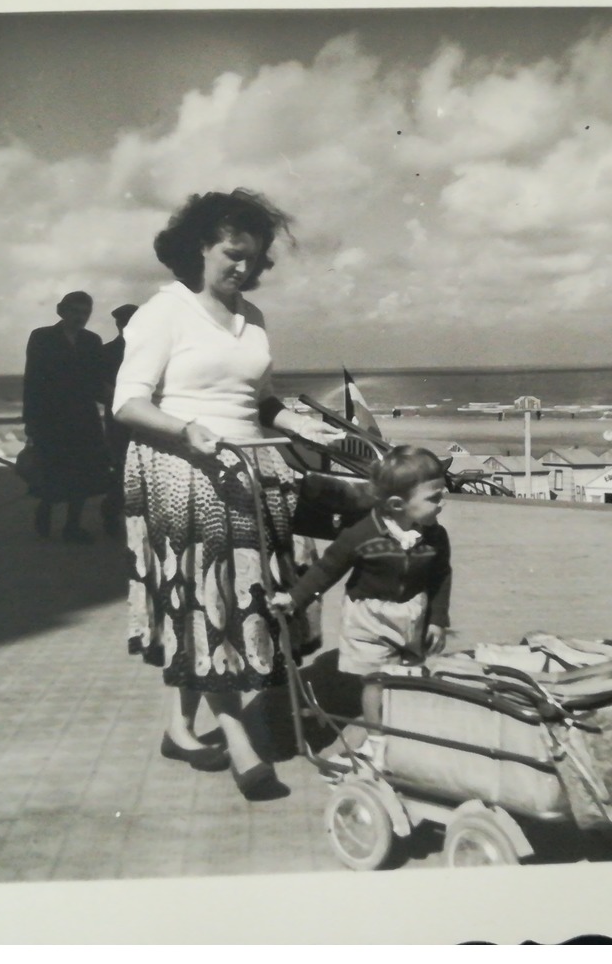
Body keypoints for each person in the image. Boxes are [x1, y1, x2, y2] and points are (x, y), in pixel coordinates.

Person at [112, 189, 344, 801]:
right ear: (199, 250)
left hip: (249, 469)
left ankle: (179, 730)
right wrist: (187, 429)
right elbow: (128, 402)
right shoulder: (162, 313)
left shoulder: (253, 319)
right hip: (181, 472)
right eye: (231, 254)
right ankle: (241, 743)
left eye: (253, 257)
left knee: (219, 604)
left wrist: (295, 423)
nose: (242, 267)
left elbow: (257, 398)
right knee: (207, 605)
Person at [272, 445, 451, 761]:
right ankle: (378, 742)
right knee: (376, 682)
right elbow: (327, 568)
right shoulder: (363, 534)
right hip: (369, 617)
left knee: (407, 678)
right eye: (434, 497)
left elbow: (440, 577)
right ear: (397, 504)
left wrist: (437, 618)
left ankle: (401, 730)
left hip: (413, 615)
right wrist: (295, 598)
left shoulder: (436, 537)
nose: (443, 501)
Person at [22, 291, 109, 543]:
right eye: (75, 311)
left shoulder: (92, 341)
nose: (81, 317)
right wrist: (30, 420)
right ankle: (45, 509)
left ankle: (73, 526)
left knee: (82, 473)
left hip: (84, 417)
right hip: (50, 417)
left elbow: (97, 381)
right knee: (51, 469)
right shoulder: (41, 337)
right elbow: (32, 381)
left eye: (85, 313)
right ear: (61, 311)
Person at [94, 304, 139, 538]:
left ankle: (131, 517)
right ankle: (112, 513)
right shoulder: (108, 352)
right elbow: (97, 386)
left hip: (144, 417)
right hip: (119, 419)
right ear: (119, 325)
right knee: (121, 468)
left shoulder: (148, 348)